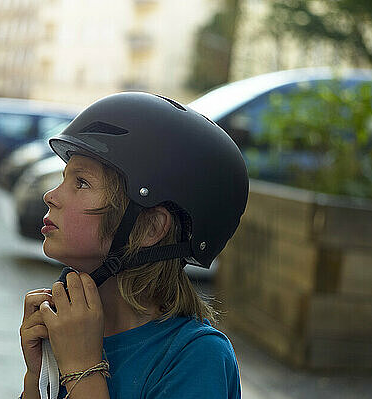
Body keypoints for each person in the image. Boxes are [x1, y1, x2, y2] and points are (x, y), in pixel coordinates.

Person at [19, 92, 249, 399]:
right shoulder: (74, 327)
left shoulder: (196, 358)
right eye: (64, 179)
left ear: (151, 228)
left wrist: (82, 368)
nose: (51, 195)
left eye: (81, 183)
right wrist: (37, 380)